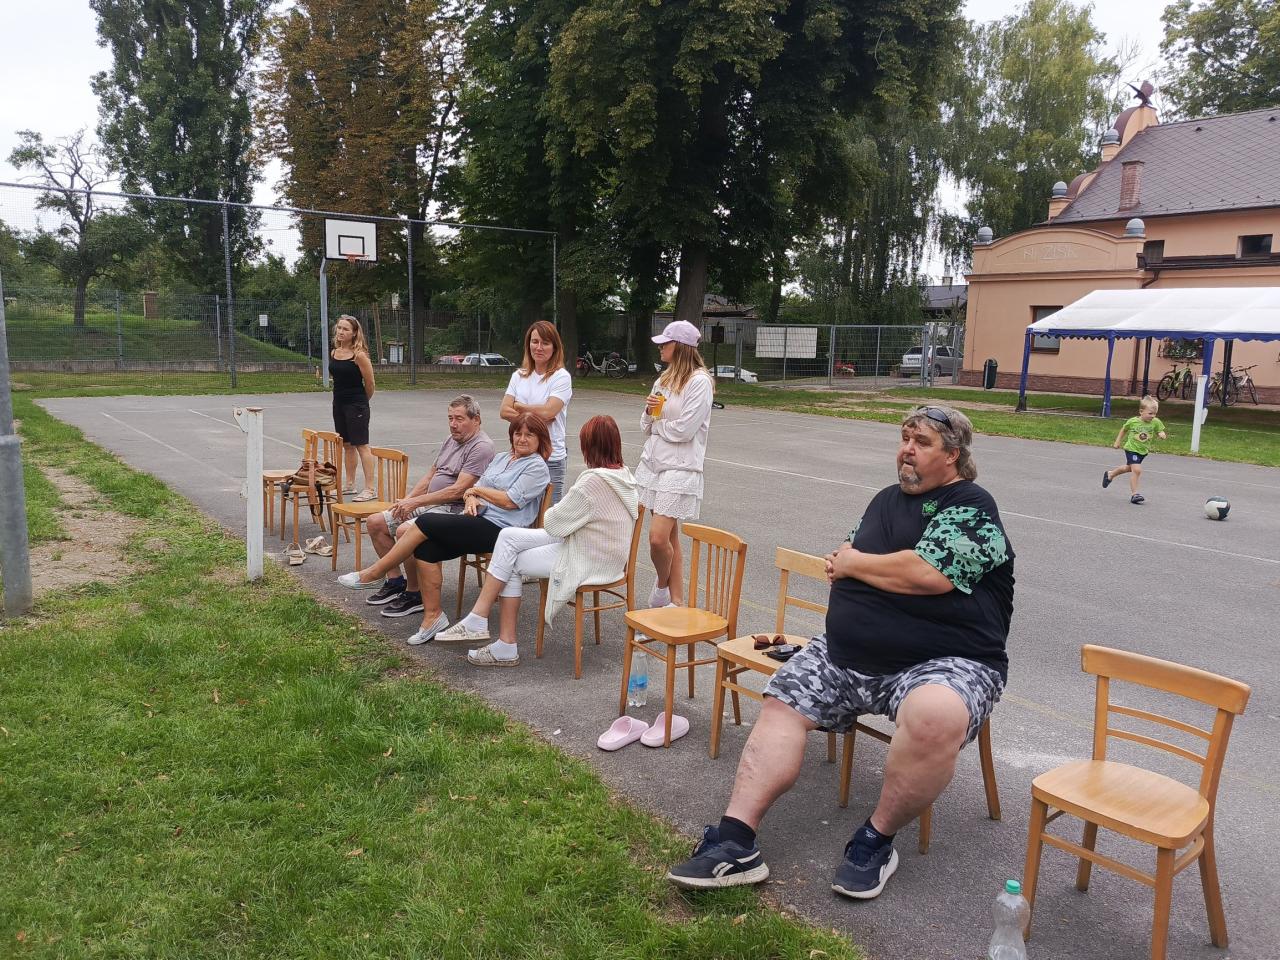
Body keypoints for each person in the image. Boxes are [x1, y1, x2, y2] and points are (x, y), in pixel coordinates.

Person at [667, 405, 1015, 902]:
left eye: (921, 442)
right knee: (783, 698)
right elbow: (846, 553)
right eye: (904, 438)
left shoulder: (972, 505)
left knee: (935, 715)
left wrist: (854, 564)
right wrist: (845, 561)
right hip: (846, 653)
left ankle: (876, 839)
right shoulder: (885, 500)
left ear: (953, 455)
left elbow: (928, 573)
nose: (907, 449)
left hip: (945, 660)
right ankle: (735, 840)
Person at [431, 415, 638, 666]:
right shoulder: (624, 476)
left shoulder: (593, 481)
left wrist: (557, 511)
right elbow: (567, 523)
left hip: (586, 557)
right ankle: (479, 622)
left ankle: (503, 643)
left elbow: (554, 523)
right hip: (604, 552)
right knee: (507, 537)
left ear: (589, 447)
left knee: (511, 560)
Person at [337, 413, 552, 645]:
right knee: (426, 549)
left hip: (503, 531)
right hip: (476, 519)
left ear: (540, 438)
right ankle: (433, 617)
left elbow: (510, 501)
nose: (522, 439)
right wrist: (471, 496)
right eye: (518, 433)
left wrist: (477, 492)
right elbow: (473, 489)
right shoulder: (502, 458)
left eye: (529, 435)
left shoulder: (537, 467)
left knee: (426, 522)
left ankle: (375, 573)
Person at [361, 395, 496, 618]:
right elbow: (430, 475)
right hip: (430, 503)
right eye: (450, 418)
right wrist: (406, 501)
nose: (453, 424)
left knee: (405, 530)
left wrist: (416, 502)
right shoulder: (451, 440)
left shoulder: (481, 447)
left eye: (459, 419)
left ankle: (415, 594)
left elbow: (458, 491)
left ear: (476, 420)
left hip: (454, 510)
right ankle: (395, 581)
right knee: (376, 522)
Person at [637, 319, 715, 608]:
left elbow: (685, 431)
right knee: (671, 539)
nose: (659, 348)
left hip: (681, 468)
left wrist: (658, 425)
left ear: (680, 347)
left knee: (658, 539)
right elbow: (645, 424)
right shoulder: (663, 380)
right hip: (655, 464)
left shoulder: (700, 382)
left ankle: (661, 588)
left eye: (665, 343)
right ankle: (677, 601)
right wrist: (650, 414)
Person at [502, 320, 573, 504]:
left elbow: (549, 412)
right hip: (520, 455)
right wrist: (536, 418)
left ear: (554, 347)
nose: (539, 347)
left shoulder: (561, 377)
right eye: (535, 341)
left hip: (550, 457)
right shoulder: (518, 376)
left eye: (545, 343)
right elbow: (504, 410)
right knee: (518, 508)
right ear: (528, 344)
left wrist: (519, 406)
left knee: (548, 514)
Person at [330, 314, 378, 502]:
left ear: (354, 333)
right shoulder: (334, 353)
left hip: (356, 404)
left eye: (346, 329)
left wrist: (361, 403)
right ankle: (349, 484)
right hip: (339, 403)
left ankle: (370, 489)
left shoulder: (359, 356)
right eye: (339, 327)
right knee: (347, 445)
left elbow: (370, 383)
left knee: (361, 445)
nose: (341, 332)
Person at [1102, 395, 1167, 504]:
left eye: (1155, 414)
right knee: (1137, 470)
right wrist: (1117, 441)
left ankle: (1110, 474)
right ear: (1141, 411)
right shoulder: (1133, 421)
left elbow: (1160, 430)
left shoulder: (1155, 422)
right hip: (1131, 449)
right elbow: (1124, 429)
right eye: (1150, 413)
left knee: (1129, 468)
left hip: (1143, 451)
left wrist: (1162, 434)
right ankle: (1135, 494)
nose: (1153, 416)